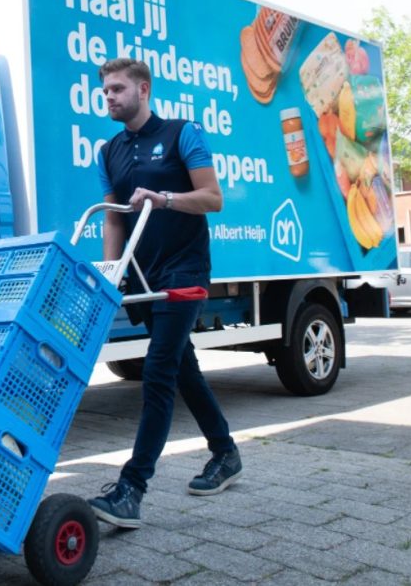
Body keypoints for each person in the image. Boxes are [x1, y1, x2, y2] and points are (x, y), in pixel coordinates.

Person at [88, 58, 241, 529]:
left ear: (143, 89)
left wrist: (164, 199)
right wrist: (110, 274)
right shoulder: (109, 152)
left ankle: (131, 489)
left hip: (185, 270)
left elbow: (213, 198)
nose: (109, 97)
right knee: (182, 368)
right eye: (105, 90)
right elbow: (114, 218)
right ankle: (225, 453)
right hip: (144, 277)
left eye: (117, 89)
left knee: (157, 371)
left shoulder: (182, 134)